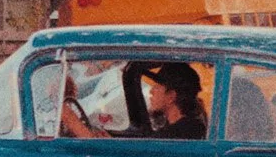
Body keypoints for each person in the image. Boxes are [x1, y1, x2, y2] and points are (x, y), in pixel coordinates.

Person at [62, 59, 207, 141]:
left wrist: (67, 115)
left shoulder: (185, 130)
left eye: (157, 87)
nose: (151, 91)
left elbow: (144, 152)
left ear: (171, 96)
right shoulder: (176, 127)